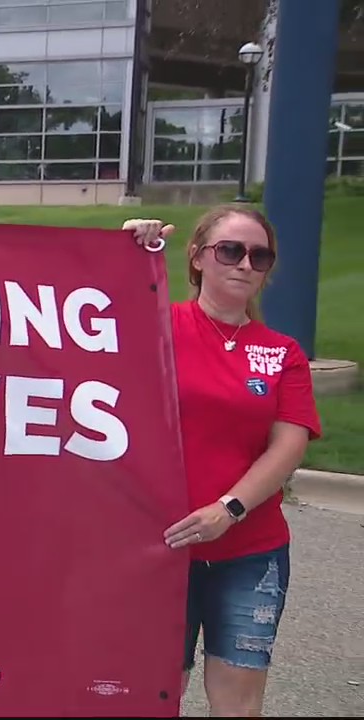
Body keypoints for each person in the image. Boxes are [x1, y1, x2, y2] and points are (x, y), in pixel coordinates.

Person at [124, 207, 321, 716]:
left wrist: (229, 508)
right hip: (160, 546)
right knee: (151, 692)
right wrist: (126, 252)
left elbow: (289, 444)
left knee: (238, 700)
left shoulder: (281, 353)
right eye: (230, 250)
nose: (244, 265)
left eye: (259, 256)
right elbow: (71, 323)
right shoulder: (155, 327)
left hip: (251, 551)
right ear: (198, 258)